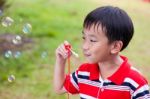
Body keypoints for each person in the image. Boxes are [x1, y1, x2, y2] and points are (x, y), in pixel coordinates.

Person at [54, 6, 150, 99]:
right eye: (84, 38)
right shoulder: (84, 73)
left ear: (115, 46)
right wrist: (61, 60)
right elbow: (60, 88)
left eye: (92, 40)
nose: (84, 46)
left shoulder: (135, 82)